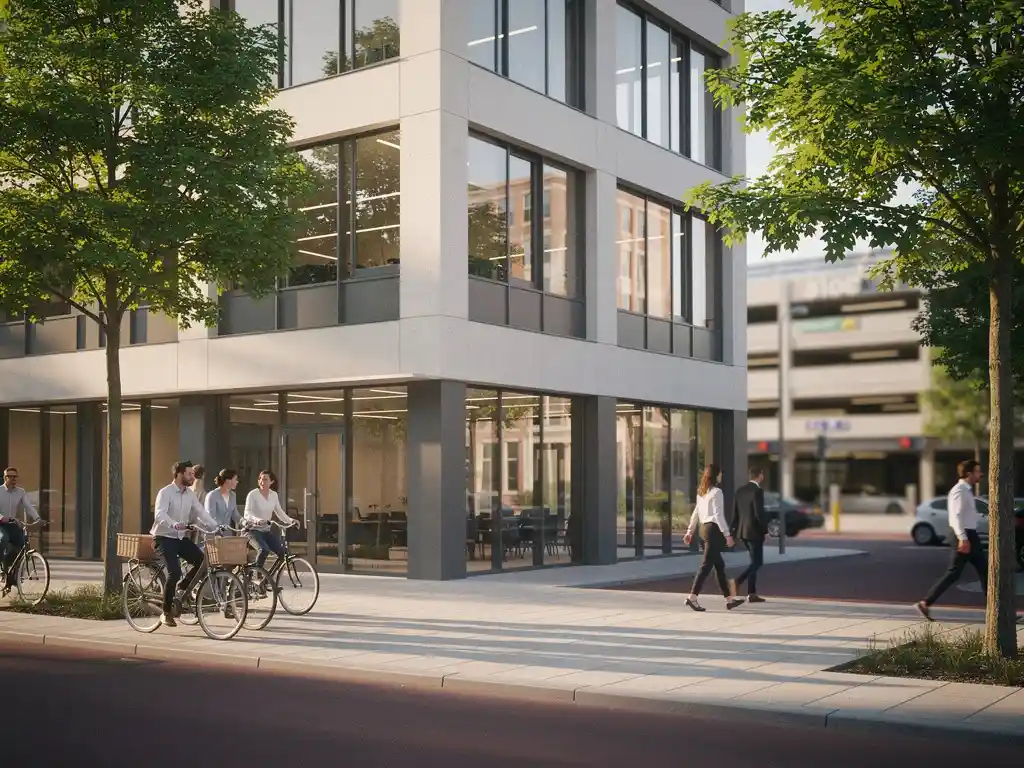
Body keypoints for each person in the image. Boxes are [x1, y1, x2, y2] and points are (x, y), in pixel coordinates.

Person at [151, 460, 222, 627]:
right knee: (174, 572)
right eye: (189, 474)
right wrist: (173, 524)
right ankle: (166, 611)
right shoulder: (166, 492)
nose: (193, 476)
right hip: (163, 537)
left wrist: (215, 526)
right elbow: (159, 514)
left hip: (180, 538)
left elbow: (201, 512)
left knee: (201, 561)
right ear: (179, 474)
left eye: (193, 474)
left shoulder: (190, 494)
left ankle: (182, 589)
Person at [915, 460, 987, 620]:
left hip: (970, 535)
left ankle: (996, 613)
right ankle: (925, 602)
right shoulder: (959, 491)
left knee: (986, 572)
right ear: (969, 474)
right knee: (954, 573)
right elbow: (955, 517)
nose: (980, 474)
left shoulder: (966, 490)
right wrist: (963, 539)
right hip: (964, 535)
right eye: (977, 471)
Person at [683, 464, 745, 612]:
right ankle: (692, 598)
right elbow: (718, 515)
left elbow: (696, 513)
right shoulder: (717, 492)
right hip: (713, 530)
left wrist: (690, 531)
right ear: (716, 475)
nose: (721, 476)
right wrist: (727, 534)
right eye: (720, 474)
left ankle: (729, 600)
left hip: (704, 529)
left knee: (719, 566)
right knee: (706, 566)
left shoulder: (701, 492)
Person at [0, 467, 48, 592]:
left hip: (12, 524)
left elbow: (29, 506)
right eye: (10, 476)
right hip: (1, 523)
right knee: (3, 538)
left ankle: (12, 575)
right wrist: (2, 518)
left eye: (15, 476)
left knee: (23, 543)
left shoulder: (20, 492)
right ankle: (1, 568)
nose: (13, 479)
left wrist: (38, 519)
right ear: (5, 478)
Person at [243, 470, 296, 569]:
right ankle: (257, 576)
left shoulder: (273, 495)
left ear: (271, 482)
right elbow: (247, 513)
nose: (262, 482)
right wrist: (257, 520)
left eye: (265, 479)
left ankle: (267, 579)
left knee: (282, 553)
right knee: (264, 550)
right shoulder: (253, 494)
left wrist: (291, 520)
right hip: (252, 531)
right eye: (260, 479)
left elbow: (279, 512)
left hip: (266, 531)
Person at [732, 465, 768, 603]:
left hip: (742, 532)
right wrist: (765, 530)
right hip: (754, 532)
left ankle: (752, 593)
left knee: (754, 562)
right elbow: (759, 514)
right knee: (757, 562)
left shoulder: (740, 491)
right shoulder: (757, 491)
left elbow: (735, 513)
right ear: (760, 475)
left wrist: (733, 531)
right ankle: (738, 581)